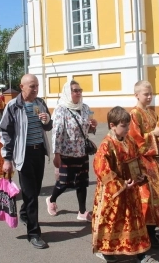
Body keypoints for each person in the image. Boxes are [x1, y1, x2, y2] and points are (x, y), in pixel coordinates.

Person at [92, 106, 157, 263]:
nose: (127, 128)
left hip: (131, 189)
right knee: (112, 222)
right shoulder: (106, 145)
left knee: (134, 221)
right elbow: (101, 169)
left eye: (128, 125)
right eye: (123, 126)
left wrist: (140, 175)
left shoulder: (129, 141)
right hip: (112, 193)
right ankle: (107, 252)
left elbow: (137, 160)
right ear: (112, 125)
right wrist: (121, 184)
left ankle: (140, 253)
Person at [0, 74, 52, 249]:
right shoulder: (13, 106)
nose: (36, 89)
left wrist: (46, 121)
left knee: (35, 191)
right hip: (24, 155)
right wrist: (7, 158)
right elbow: (4, 132)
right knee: (30, 196)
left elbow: (48, 126)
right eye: (32, 86)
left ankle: (24, 213)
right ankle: (34, 233)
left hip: (39, 153)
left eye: (37, 86)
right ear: (21, 87)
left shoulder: (40, 103)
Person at [128, 80, 159, 248]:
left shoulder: (153, 114)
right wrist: (153, 135)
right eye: (146, 94)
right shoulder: (134, 114)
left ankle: (152, 231)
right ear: (137, 94)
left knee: (156, 198)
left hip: (154, 162)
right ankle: (145, 232)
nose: (149, 97)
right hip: (143, 164)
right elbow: (134, 140)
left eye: (150, 93)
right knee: (145, 199)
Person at [46, 80, 97, 221]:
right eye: (75, 90)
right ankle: (51, 199)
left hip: (82, 151)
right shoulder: (61, 109)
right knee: (64, 182)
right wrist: (57, 154)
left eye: (80, 90)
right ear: (68, 92)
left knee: (82, 182)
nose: (79, 93)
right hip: (67, 152)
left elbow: (88, 129)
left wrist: (93, 126)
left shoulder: (85, 107)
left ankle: (82, 212)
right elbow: (57, 133)